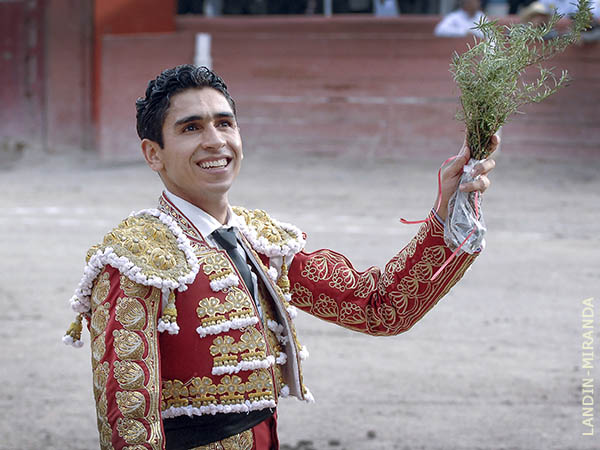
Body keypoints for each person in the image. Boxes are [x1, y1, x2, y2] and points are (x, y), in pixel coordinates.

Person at [63, 65, 497, 450]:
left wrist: (447, 209)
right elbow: (130, 422)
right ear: (152, 153)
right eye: (191, 128)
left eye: (225, 123)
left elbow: (379, 309)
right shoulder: (137, 258)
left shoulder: (261, 240)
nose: (215, 141)